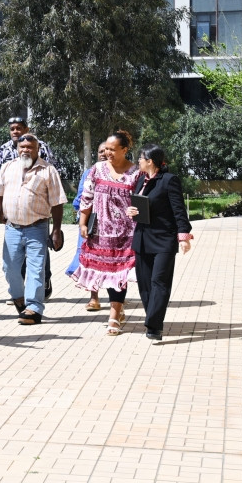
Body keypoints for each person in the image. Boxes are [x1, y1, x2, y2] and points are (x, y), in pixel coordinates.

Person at [0, 134, 66, 325]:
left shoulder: (48, 170)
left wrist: (56, 230)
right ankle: (18, 297)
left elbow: (57, 203)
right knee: (9, 268)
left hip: (37, 228)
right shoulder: (8, 167)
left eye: (30, 147)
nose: (25, 150)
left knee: (36, 269)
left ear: (37, 149)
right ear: (17, 148)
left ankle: (34, 308)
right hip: (12, 228)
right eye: (22, 147)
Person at [71, 130, 140, 336]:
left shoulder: (136, 173)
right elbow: (87, 198)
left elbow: (142, 200)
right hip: (100, 233)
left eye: (112, 149)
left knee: (119, 275)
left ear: (125, 150)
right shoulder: (97, 169)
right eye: (106, 149)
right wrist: (83, 223)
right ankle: (116, 313)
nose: (107, 153)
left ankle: (114, 315)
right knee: (108, 276)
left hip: (127, 234)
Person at [126, 144, 193, 342]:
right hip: (143, 239)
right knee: (145, 285)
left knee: (159, 282)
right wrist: (132, 212)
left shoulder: (169, 180)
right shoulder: (141, 180)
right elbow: (140, 204)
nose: (138, 161)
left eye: (141, 158)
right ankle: (152, 317)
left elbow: (179, 210)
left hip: (164, 239)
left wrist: (184, 236)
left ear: (150, 161)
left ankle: (154, 325)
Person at [0, 116, 57, 301]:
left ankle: (40, 289)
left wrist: (57, 228)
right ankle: (19, 294)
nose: (15, 131)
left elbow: (51, 177)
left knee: (38, 260)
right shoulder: (3, 151)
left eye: (19, 128)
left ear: (27, 128)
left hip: (37, 217)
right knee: (11, 263)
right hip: (12, 219)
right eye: (12, 129)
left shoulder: (41, 146)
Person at [65, 141, 108, 282]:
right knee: (87, 255)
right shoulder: (89, 173)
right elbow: (79, 199)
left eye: (107, 150)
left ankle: (116, 295)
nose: (103, 154)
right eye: (100, 151)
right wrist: (82, 217)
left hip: (113, 224)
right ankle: (93, 295)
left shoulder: (121, 173)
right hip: (90, 221)